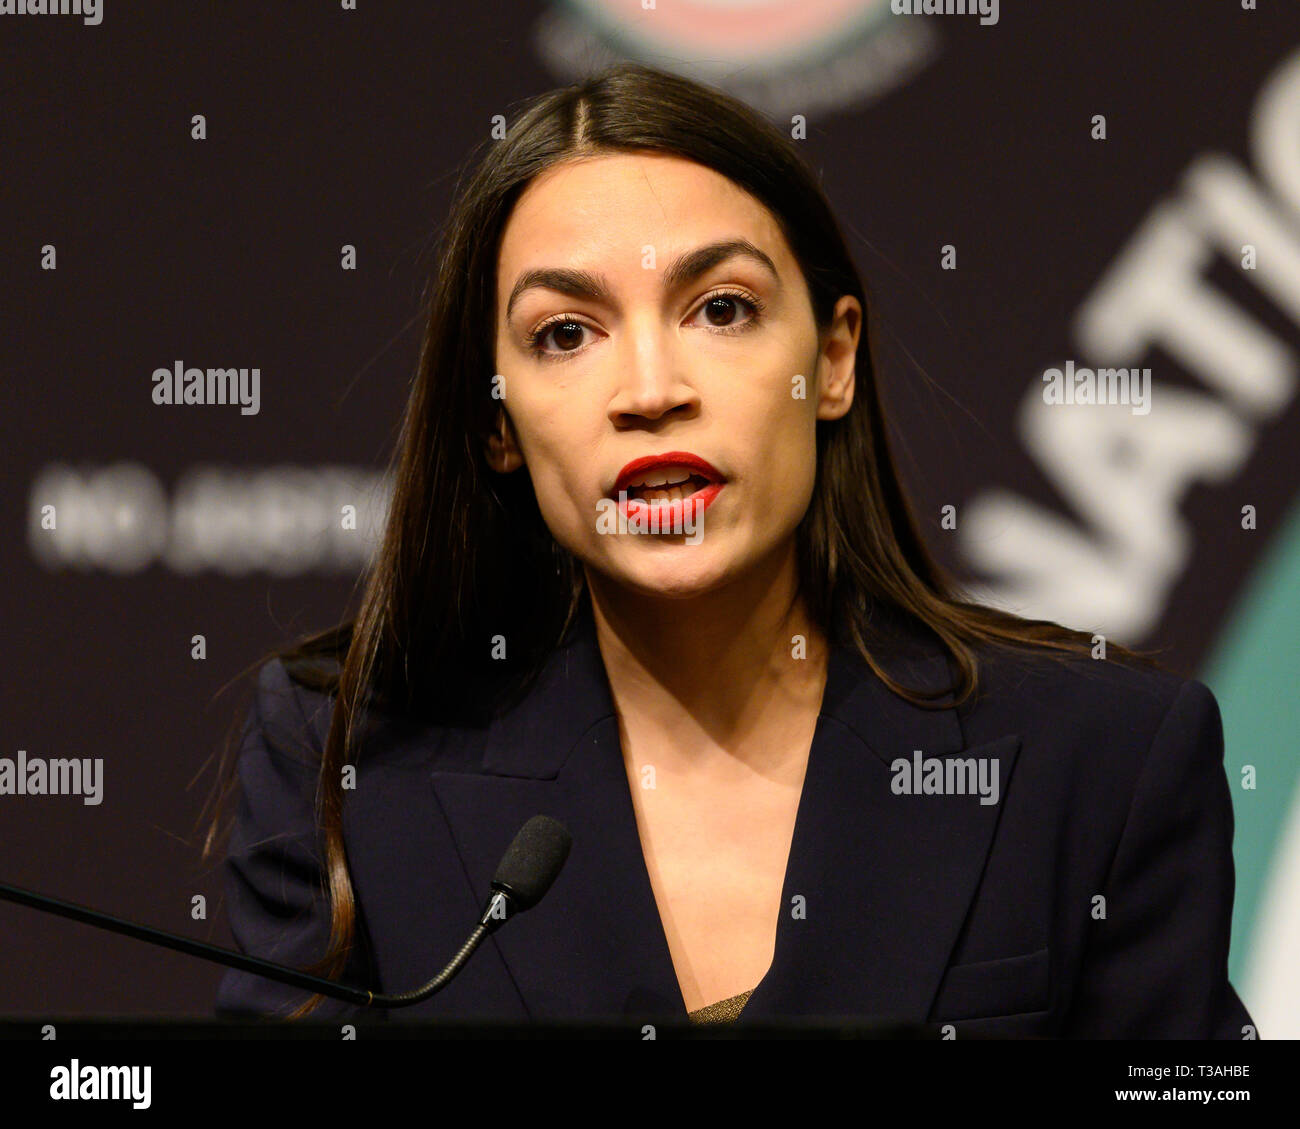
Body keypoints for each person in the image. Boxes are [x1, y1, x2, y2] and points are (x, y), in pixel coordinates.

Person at [203, 62, 1254, 1037]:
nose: (652, 389)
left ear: (832, 357)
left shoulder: (1100, 759)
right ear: (496, 424)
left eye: (721, 308)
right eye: (565, 333)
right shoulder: (346, 758)